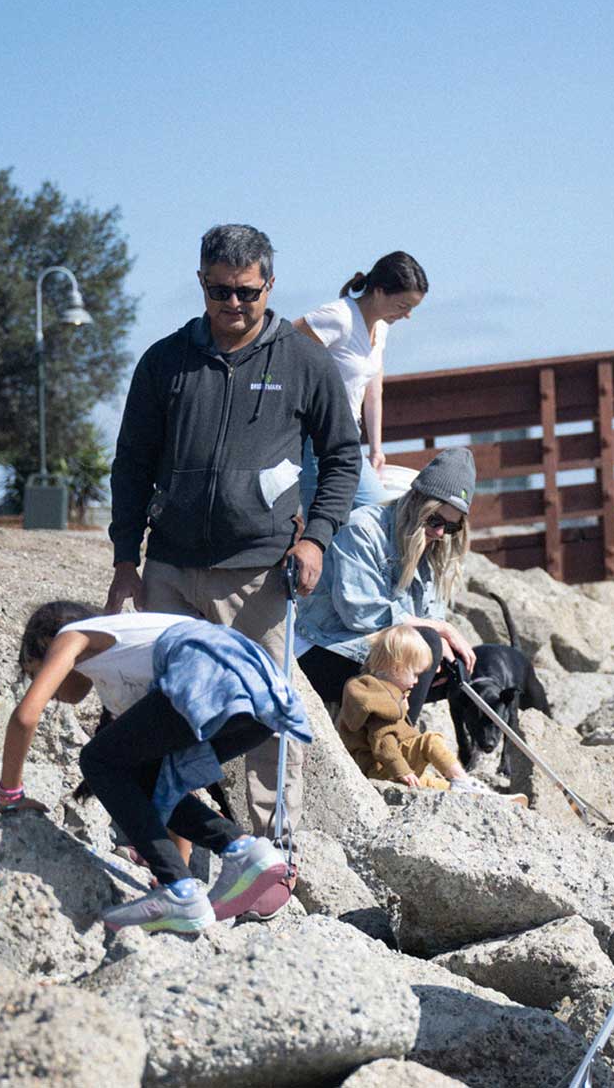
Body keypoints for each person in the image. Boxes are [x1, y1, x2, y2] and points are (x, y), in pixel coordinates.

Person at [108, 223, 360, 831]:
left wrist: (316, 536)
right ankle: (165, 843)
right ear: (201, 283)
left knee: (266, 714)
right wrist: (125, 560)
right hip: (168, 570)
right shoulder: (164, 361)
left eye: (247, 292)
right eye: (220, 291)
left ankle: (276, 855)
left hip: (260, 577)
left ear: (270, 285)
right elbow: (132, 463)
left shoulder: (304, 360)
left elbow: (343, 456)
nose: (234, 305)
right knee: (160, 711)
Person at [0, 600, 304, 933]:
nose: (48, 690)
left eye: (33, 671)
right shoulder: (125, 671)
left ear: (47, 647)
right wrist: (175, 862)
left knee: (94, 759)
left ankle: (182, 888)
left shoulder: (72, 635)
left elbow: (26, 716)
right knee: (144, 774)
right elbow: (167, 784)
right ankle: (241, 849)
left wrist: (9, 794)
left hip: (208, 673)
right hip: (264, 696)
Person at [294, 447, 480, 732]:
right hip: (324, 647)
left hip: (374, 651)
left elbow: (429, 617)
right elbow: (359, 613)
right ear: (417, 504)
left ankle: (388, 738)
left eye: (451, 527)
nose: (440, 533)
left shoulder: (433, 550)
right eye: (435, 520)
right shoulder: (362, 529)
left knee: (457, 667)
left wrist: (443, 643)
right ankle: (398, 741)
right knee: (427, 643)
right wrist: (439, 630)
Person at [294, 251, 427, 508]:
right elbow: (281, 347)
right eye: (403, 306)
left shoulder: (381, 327)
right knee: (344, 520)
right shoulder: (339, 317)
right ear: (378, 291)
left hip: (348, 438)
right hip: (316, 437)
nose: (408, 315)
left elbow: (373, 392)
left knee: (368, 518)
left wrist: (376, 449)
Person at [335, 623, 514, 800]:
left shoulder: (380, 689)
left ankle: (469, 793)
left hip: (384, 765)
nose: (417, 681)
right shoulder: (379, 700)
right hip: (381, 768)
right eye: (415, 674)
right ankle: (462, 780)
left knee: (429, 782)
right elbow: (383, 742)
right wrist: (402, 771)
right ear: (397, 668)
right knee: (430, 741)